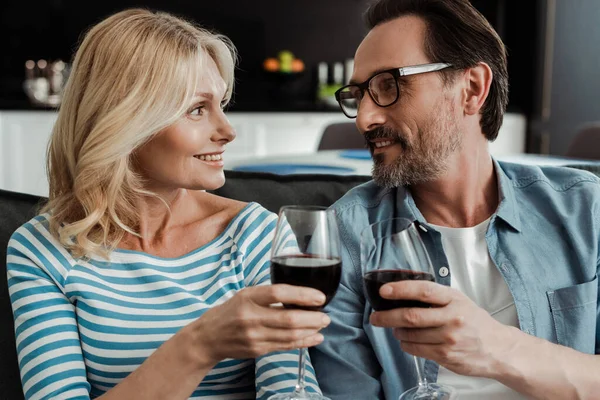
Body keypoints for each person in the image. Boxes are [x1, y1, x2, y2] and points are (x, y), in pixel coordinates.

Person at [6, 9, 330, 400]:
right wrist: (199, 346)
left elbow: (293, 391)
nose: (227, 131)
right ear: (126, 121)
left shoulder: (258, 236)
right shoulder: (41, 250)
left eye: (221, 104)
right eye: (197, 109)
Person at [309, 0, 600, 399]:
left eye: (388, 86)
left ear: (472, 89)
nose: (363, 118)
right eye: (358, 95)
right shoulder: (344, 235)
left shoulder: (585, 209)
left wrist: (499, 348)